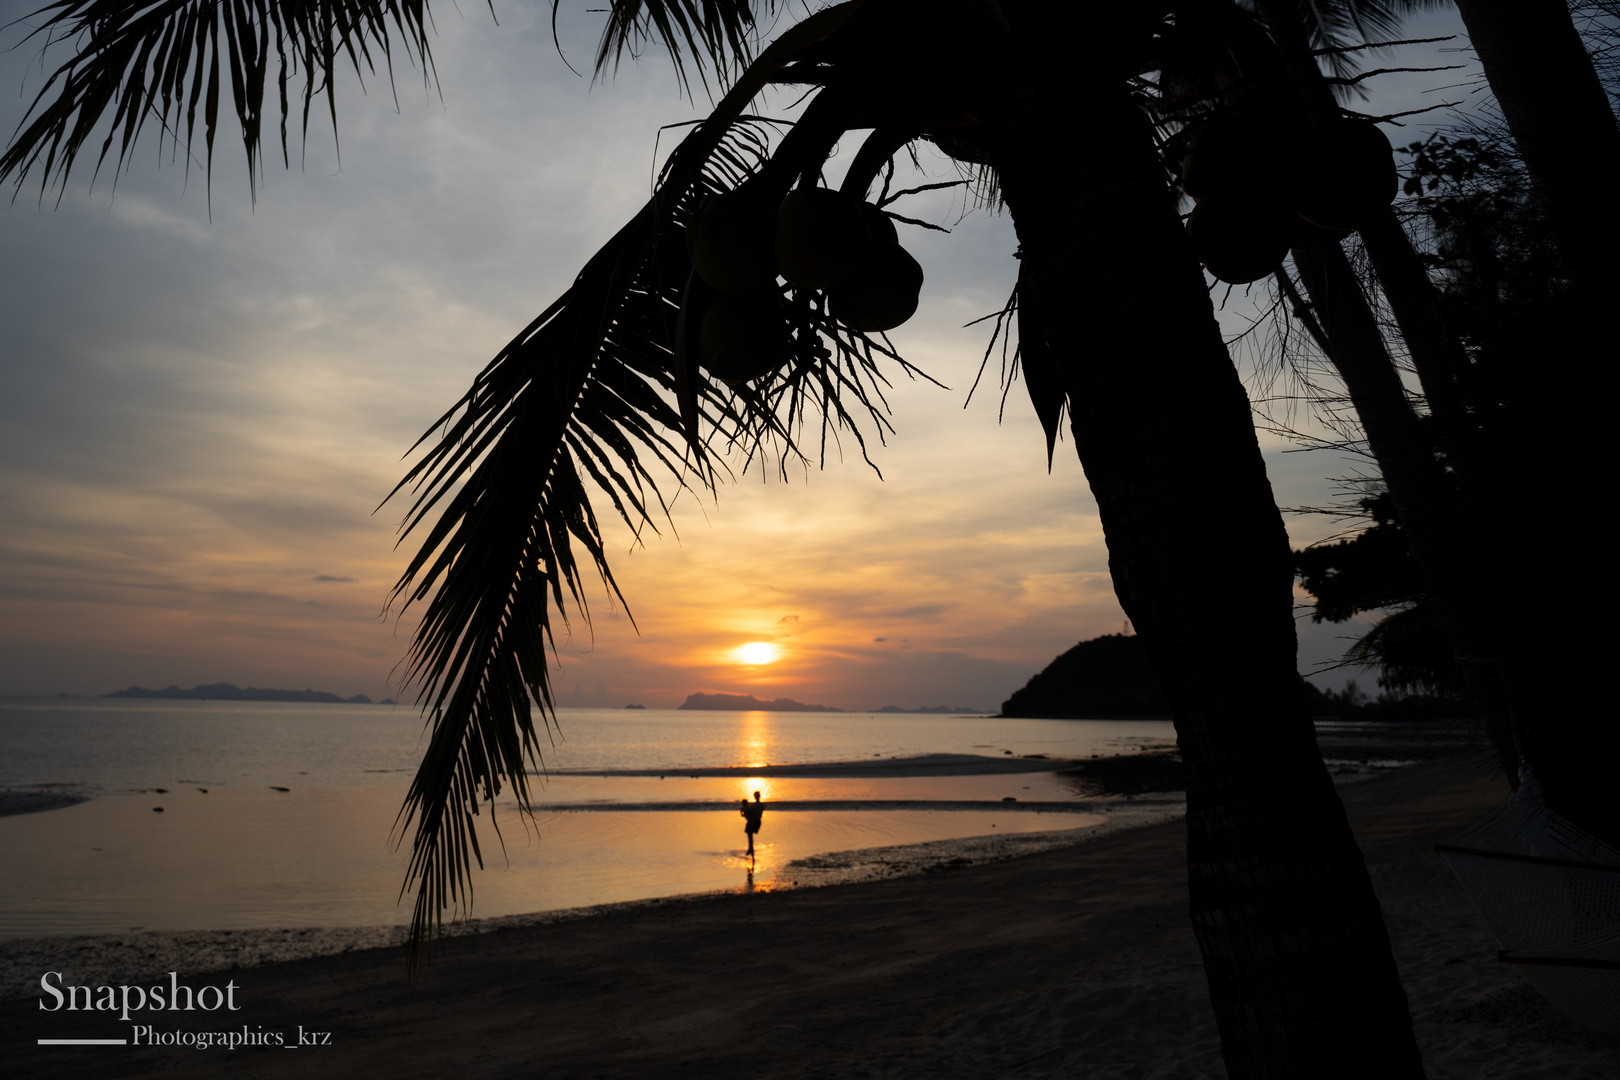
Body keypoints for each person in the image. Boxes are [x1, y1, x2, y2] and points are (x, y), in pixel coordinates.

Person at [739, 791, 765, 858]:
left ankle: (750, 849)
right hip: (758, 821)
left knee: (750, 836)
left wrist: (743, 812)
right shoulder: (762, 805)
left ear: (754, 796)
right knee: (750, 836)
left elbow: (748, 811)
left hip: (752, 821)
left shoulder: (752, 805)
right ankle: (750, 849)